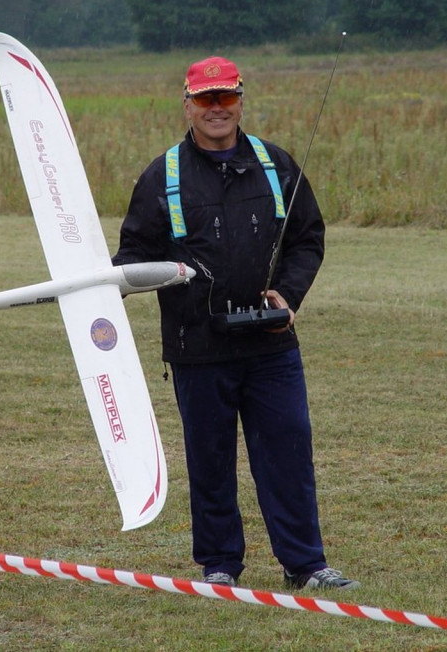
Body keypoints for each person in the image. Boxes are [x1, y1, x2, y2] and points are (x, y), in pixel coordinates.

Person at [112, 56, 359, 591]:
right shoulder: (163, 175)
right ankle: (220, 566)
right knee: (210, 461)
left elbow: (306, 238)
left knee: (288, 452)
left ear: (242, 100)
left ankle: (306, 564)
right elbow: (132, 252)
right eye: (206, 99)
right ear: (187, 105)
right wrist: (124, 278)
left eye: (226, 97)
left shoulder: (276, 165)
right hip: (196, 347)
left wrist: (288, 295)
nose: (217, 108)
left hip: (270, 343)